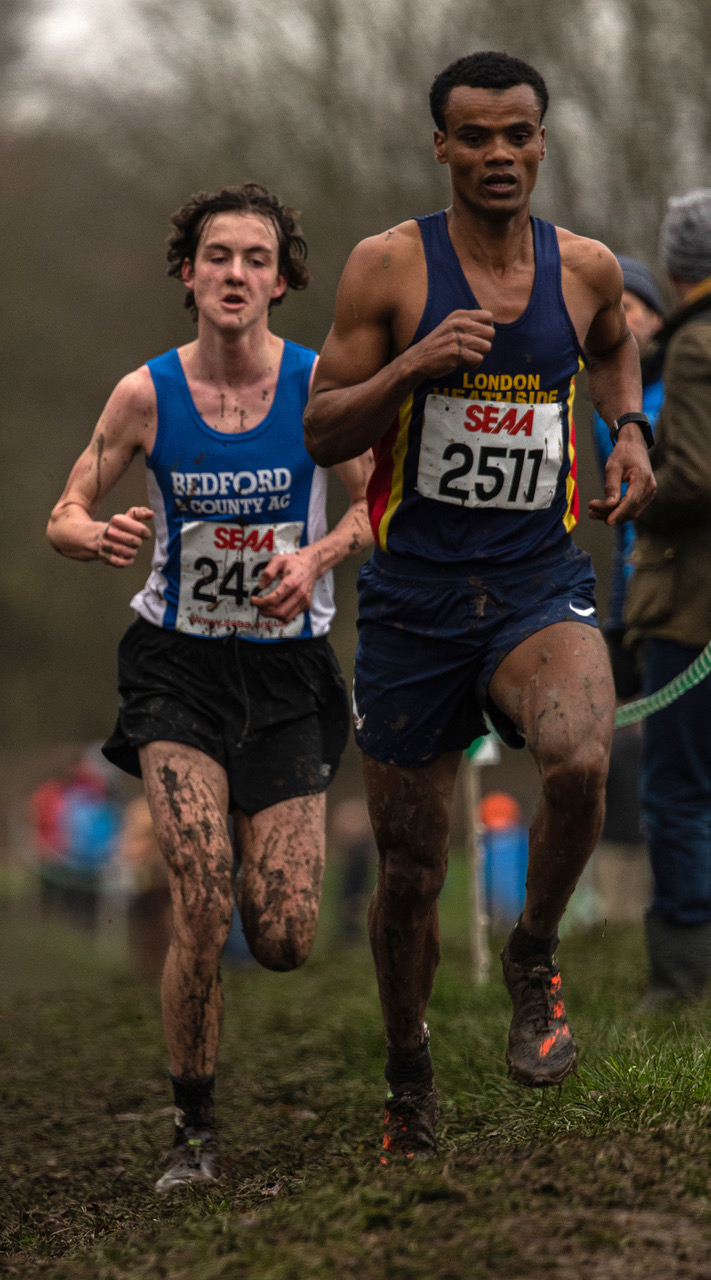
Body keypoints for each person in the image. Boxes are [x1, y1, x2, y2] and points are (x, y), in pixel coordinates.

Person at [303, 50, 656, 1159]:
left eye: (519, 135)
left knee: (583, 762)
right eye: (477, 137)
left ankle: (532, 954)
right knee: (412, 867)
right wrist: (410, 368)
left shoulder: (586, 268)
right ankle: (409, 1076)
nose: (500, 154)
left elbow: (612, 347)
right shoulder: (387, 267)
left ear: (542, 142)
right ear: (442, 146)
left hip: (535, 580)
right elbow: (322, 430)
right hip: (411, 599)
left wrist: (629, 428)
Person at [47, 182, 373, 1190]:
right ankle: (194, 1135)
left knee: (281, 934)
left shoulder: (323, 388)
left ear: (283, 277)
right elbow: (65, 505)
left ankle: (253, 818)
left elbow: (380, 509)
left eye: (255, 257)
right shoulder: (145, 394)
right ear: (188, 273)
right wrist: (90, 533)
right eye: (217, 256)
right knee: (200, 888)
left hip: (285, 673)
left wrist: (316, 558)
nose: (236, 273)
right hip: (176, 664)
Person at [626, 189, 711, 1007]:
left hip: (691, 605)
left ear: (678, 265)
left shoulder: (690, 347)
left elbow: (691, 475)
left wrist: (631, 495)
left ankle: (682, 978)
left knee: (677, 787)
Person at [591, 256, 665, 699]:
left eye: (631, 306)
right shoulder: (607, 410)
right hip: (635, 587)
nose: (621, 319)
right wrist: (617, 615)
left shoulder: (690, 382)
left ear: (657, 320)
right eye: (611, 309)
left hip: (682, 584)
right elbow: (624, 520)